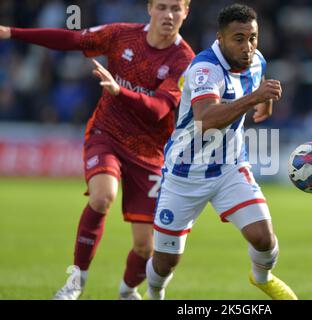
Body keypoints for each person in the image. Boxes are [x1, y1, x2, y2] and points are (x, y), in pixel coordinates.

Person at [0, 0, 195, 299]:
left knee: (146, 247)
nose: (168, 15)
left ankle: (127, 291)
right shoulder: (120, 35)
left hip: (150, 153)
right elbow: (72, 39)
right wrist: (12, 32)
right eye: (162, 7)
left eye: (175, 9)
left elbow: (158, 108)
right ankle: (75, 282)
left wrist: (120, 91)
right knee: (103, 197)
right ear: (149, 8)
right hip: (107, 134)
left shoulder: (185, 60)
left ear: (186, 12)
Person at [145, 4, 298, 300]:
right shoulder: (205, 69)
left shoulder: (256, 60)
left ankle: (261, 278)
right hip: (184, 174)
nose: (248, 46)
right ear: (220, 38)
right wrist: (256, 97)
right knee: (165, 263)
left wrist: (263, 103)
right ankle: (154, 293)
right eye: (238, 39)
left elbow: (259, 75)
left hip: (229, 167)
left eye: (253, 37)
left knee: (263, 238)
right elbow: (206, 120)